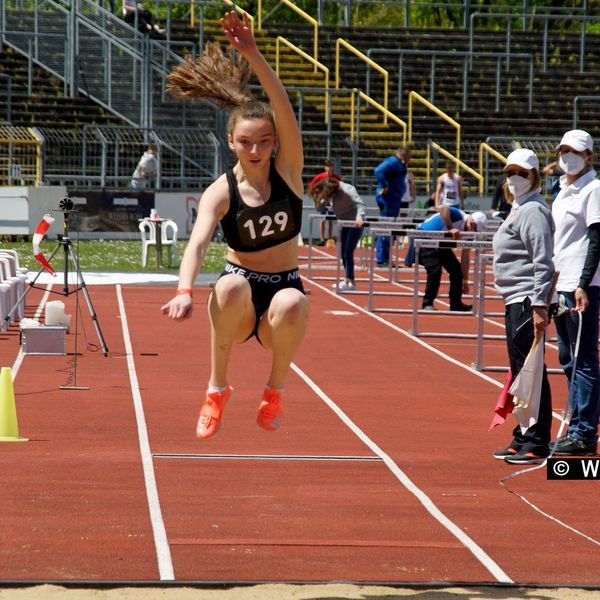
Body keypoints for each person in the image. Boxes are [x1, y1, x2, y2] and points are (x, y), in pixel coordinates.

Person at [161, 12, 309, 440]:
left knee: (295, 303)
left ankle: (274, 391)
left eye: (264, 140)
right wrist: (184, 291)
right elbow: (198, 244)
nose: (256, 148)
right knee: (228, 285)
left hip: (283, 286)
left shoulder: (290, 173)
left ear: (275, 141)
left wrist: (253, 55)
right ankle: (216, 389)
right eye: (246, 141)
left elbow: (282, 107)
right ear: (231, 142)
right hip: (238, 295)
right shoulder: (221, 192)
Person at [491, 149, 555, 465]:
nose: (514, 178)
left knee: (530, 372)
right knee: (521, 371)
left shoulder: (533, 211)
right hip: (516, 297)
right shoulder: (519, 208)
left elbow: (543, 260)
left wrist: (540, 304)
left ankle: (537, 440)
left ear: (534, 177)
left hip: (527, 299)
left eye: (522, 173)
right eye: (510, 172)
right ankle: (523, 434)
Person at [551, 129, 600, 457]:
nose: (567, 156)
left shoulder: (594, 189)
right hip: (560, 283)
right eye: (563, 151)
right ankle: (578, 426)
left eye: (575, 152)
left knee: (583, 360)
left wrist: (583, 282)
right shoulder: (564, 189)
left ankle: (584, 432)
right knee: (568, 358)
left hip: (580, 285)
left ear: (589, 157)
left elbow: (597, 238)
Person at [411, 206, 487, 311]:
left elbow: (465, 257)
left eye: (475, 228)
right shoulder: (458, 215)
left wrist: (465, 281)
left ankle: (456, 304)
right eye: (472, 225)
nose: (471, 228)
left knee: (456, 270)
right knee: (435, 270)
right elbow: (443, 209)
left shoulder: (470, 234)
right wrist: (450, 227)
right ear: (470, 218)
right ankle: (427, 303)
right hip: (424, 237)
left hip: (440, 244)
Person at [311, 177, 365, 290]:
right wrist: (316, 197)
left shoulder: (348, 189)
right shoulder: (328, 192)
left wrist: (360, 217)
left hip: (355, 223)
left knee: (348, 252)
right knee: (342, 253)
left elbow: (360, 204)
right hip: (344, 222)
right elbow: (320, 208)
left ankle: (350, 281)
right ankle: (348, 279)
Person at [374, 147, 410, 266]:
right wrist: (384, 186)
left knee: (389, 229)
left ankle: (385, 258)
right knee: (385, 227)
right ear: (404, 155)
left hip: (394, 200)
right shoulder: (393, 162)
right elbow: (378, 170)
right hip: (388, 200)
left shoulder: (399, 164)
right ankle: (381, 259)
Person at [307, 158, 340, 246]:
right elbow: (311, 185)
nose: (329, 168)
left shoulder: (335, 177)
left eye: (331, 166)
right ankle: (322, 239)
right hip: (322, 200)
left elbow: (340, 187)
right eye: (327, 166)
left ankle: (329, 239)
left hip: (332, 201)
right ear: (325, 167)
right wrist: (317, 192)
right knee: (322, 219)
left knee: (330, 220)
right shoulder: (320, 176)